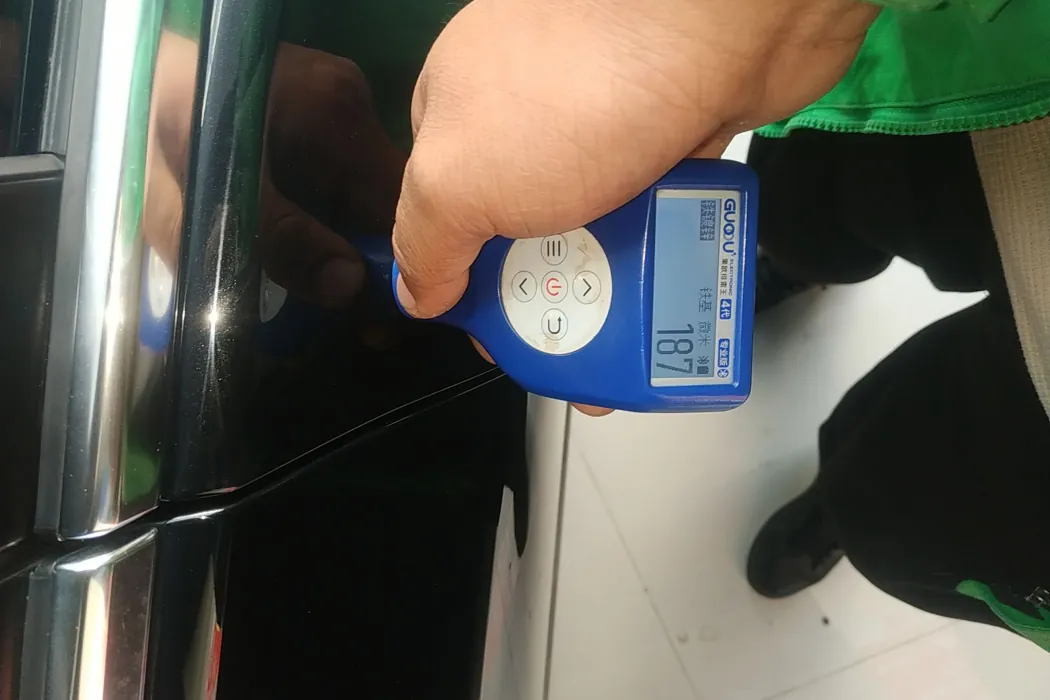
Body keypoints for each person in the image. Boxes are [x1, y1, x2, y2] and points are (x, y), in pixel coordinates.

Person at [389, 0, 1050, 652]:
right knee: (818, 186)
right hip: (983, 63)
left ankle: (855, 508)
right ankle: (790, 261)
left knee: (913, 506)